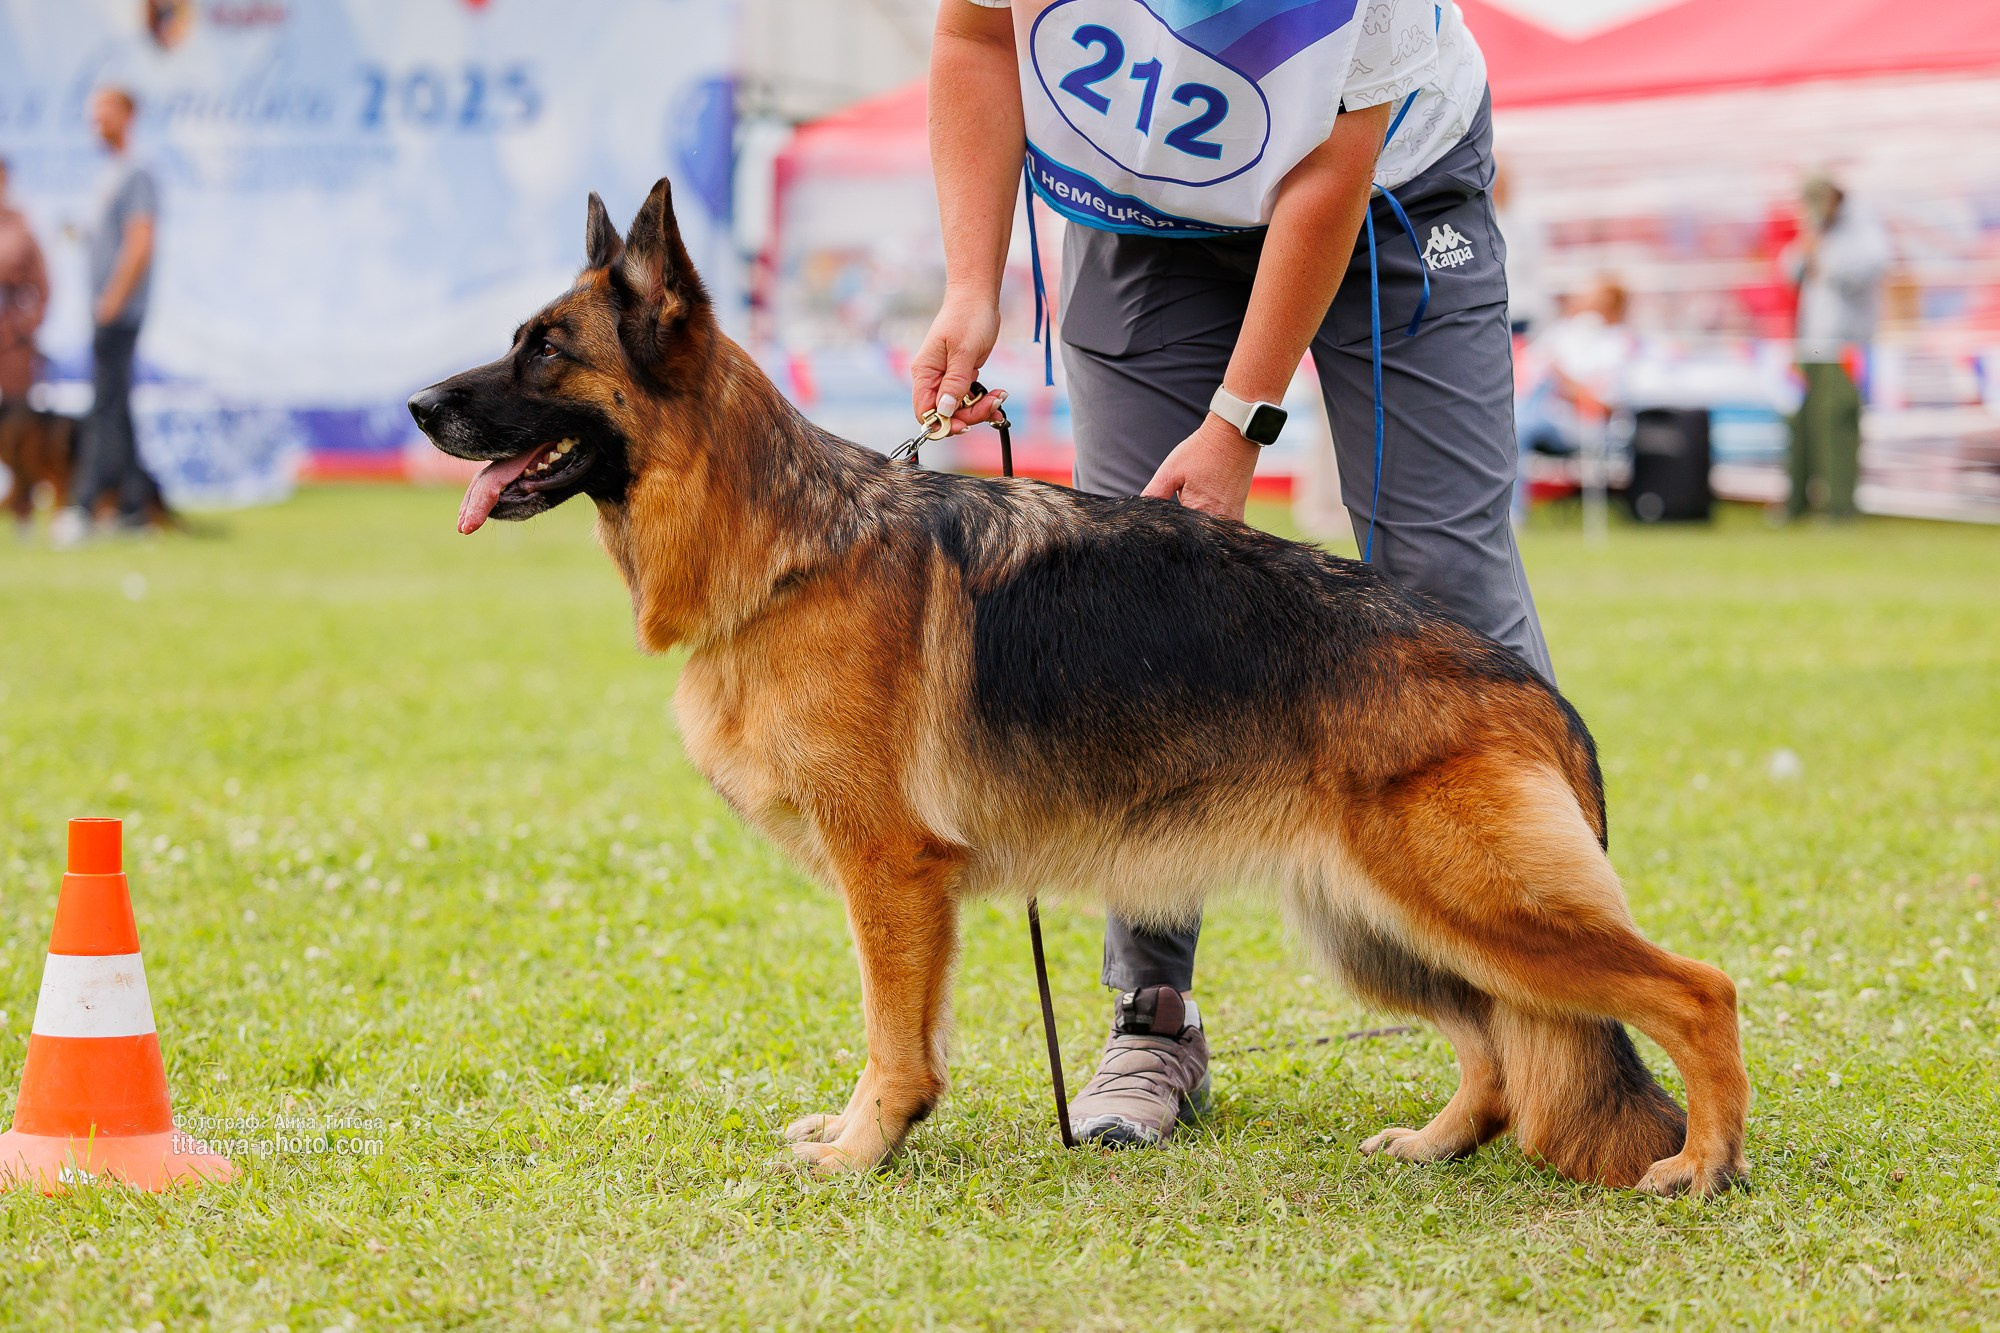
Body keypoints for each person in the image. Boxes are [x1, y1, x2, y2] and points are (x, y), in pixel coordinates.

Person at [916, 0, 1553, 1147]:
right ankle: (1150, 1014)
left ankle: (1550, 1001)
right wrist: (973, 282)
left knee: (1448, 590)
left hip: (1389, 193)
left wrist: (1236, 425)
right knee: (1123, 610)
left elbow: (1325, 174)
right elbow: (971, 38)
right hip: (1146, 212)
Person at [53, 86, 164, 545]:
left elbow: (140, 240)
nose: (96, 122)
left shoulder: (136, 170)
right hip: (110, 309)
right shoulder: (113, 173)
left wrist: (113, 297)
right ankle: (133, 506)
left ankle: (87, 504)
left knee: (104, 406)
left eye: (104, 112)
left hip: (118, 312)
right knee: (115, 406)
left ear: (128, 114)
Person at [1782, 173, 1889, 521]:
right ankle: (1797, 501)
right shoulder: (1816, 226)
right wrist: (1805, 253)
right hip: (1813, 343)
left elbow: (1873, 265)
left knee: (1837, 419)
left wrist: (1824, 258)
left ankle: (1839, 504)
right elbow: (1789, 270)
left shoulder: (1861, 224)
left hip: (1846, 345)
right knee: (1802, 417)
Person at [1513, 275, 1634, 520]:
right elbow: (1525, 371)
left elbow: (1602, 405)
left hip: (1582, 425)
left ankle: (1513, 514)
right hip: (1543, 412)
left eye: (1590, 297)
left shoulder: (1619, 345)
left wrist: (1562, 379)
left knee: (1516, 424)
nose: (1579, 302)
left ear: (1608, 305)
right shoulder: (1562, 333)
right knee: (1512, 419)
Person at [0, 156, 50, 410]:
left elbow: (44, 288)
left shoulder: (21, 229)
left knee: (16, 424)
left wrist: (23, 325)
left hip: (11, 344)